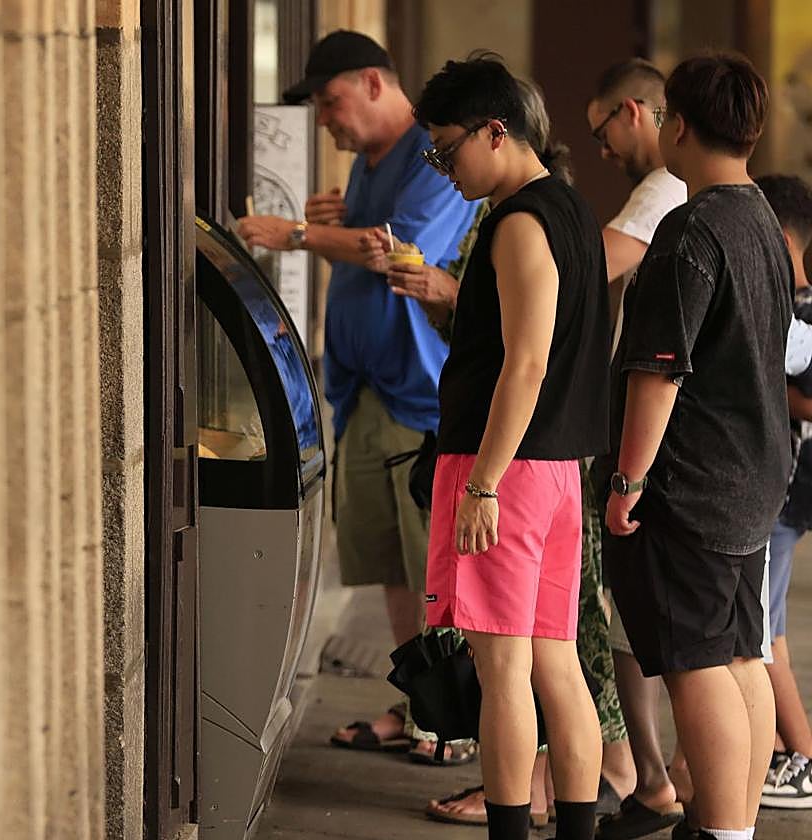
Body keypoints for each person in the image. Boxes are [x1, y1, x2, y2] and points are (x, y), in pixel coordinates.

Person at [382, 77, 625, 829]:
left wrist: (481, 484)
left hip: (506, 471)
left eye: (446, 148)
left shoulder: (519, 222)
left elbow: (526, 362)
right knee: (557, 665)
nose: (440, 166)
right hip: (554, 470)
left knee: (505, 673)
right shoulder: (573, 213)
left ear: (495, 131)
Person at [238, 30, 479, 762]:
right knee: (391, 571)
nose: (324, 121)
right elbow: (369, 233)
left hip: (422, 398)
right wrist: (334, 224)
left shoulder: (434, 158)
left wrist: (299, 235)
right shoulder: (369, 168)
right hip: (363, 396)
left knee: (436, 572)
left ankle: (459, 723)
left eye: (331, 100)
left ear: (375, 82)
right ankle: (421, 708)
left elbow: (397, 248)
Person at [604, 53, 791, 840]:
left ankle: (718, 829)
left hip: (692, 481)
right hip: (755, 474)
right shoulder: (762, 222)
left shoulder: (692, 228)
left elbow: (657, 374)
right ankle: (732, 827)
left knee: (695, 663)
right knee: (742, 655)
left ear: (677, 124)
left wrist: (626, 480)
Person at [582, 58, 689, 840]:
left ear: (636, 112)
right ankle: (655, 777)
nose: (602, 148)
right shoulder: (692, 198)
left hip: (652, 446)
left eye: (602, 132)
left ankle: (653, 777)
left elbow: (591, 265)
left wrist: (625, 474)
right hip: (656, 443)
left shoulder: (666, 195)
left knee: (648, 624)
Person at [756, 173, 812, 810]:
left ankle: (798, 756)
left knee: (761, 630)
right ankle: (778, 748)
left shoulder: (799, 308)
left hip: (788, 490)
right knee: (767, 627)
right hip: (785, 488)